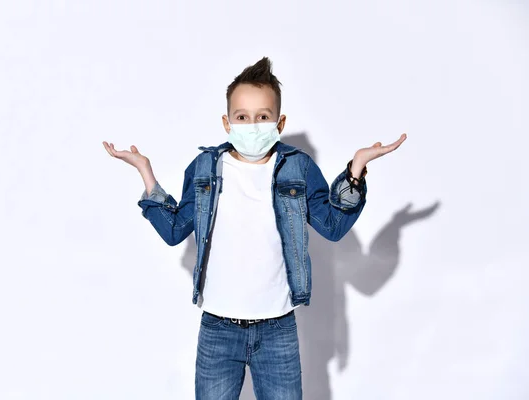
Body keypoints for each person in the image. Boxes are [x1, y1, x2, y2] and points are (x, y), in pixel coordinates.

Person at [103, 57, 406, 400]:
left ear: (280, 122)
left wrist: (356, 170)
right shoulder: (206, 167)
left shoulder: (297, 168)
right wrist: (146, 175)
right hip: (218, 328)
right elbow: (174, 230)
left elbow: (333, 226)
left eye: (263, 116)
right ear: (227, 122)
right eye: (242, 117)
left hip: (278, 329)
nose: (252, 125)